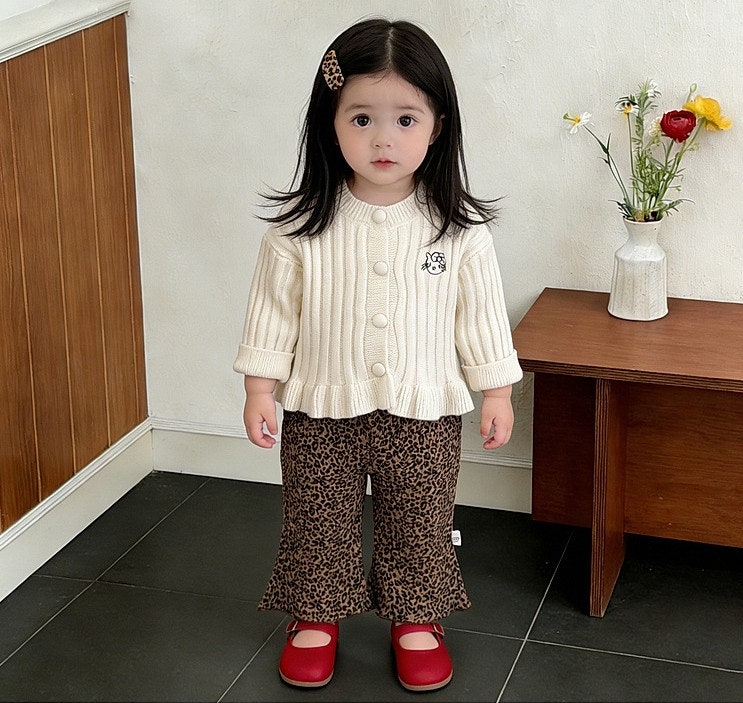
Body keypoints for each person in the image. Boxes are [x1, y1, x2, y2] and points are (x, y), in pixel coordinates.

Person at [233, 17, 522, 693]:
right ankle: (315, 616)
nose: (383, 139)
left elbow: (479, 318)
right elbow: (273, 315)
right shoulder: (298, 230)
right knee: (316, 519)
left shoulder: (459, 232)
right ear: (330, 123)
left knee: (419, 521)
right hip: (319, 410)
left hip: (424, 412)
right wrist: (258, 388)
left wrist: (497, 392)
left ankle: (417, 618)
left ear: (437, 126)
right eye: (361, 118)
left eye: (404, 119)